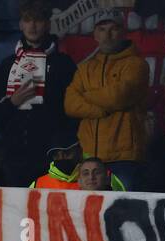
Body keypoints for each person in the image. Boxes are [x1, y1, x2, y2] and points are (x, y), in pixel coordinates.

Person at [0, 0, 78, 188]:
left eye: (38, 20)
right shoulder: (7, 65)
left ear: (47, 24)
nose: (32, 25)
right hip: (15, 154)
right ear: (21, 24)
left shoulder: (64, 64)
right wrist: (11, 103)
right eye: (27, 20)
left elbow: (72, 110)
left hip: (51, 153)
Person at [63, 9, 150, 191]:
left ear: (123, 32)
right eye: (102, 29)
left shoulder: (136, 64)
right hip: (90, 157)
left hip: (124, 156)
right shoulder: (85, 68)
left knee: (125, 212)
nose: (107, 35)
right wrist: (100, 110)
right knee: (90, 213)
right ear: (95, 34)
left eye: (113, 29)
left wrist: (85, 95)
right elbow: (70, 104)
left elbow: (118, 97)